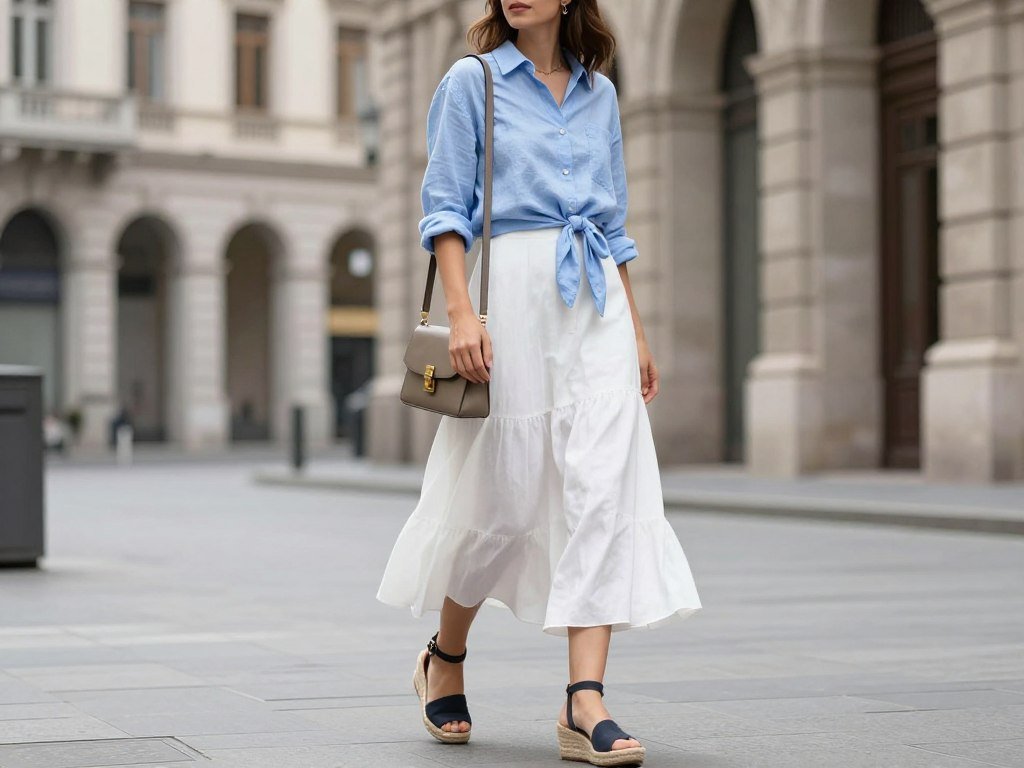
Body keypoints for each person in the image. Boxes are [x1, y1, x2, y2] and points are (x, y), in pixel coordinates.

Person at [376, 1, 702, 764]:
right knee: (501, 488)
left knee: (602, 487)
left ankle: (584, 699)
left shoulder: (600, 93)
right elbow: (445, 209)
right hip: (511, 298)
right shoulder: (472, 82)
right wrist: (462, 314)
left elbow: (613, 224)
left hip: (595, 304)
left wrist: (636, 330)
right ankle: (444, 656)